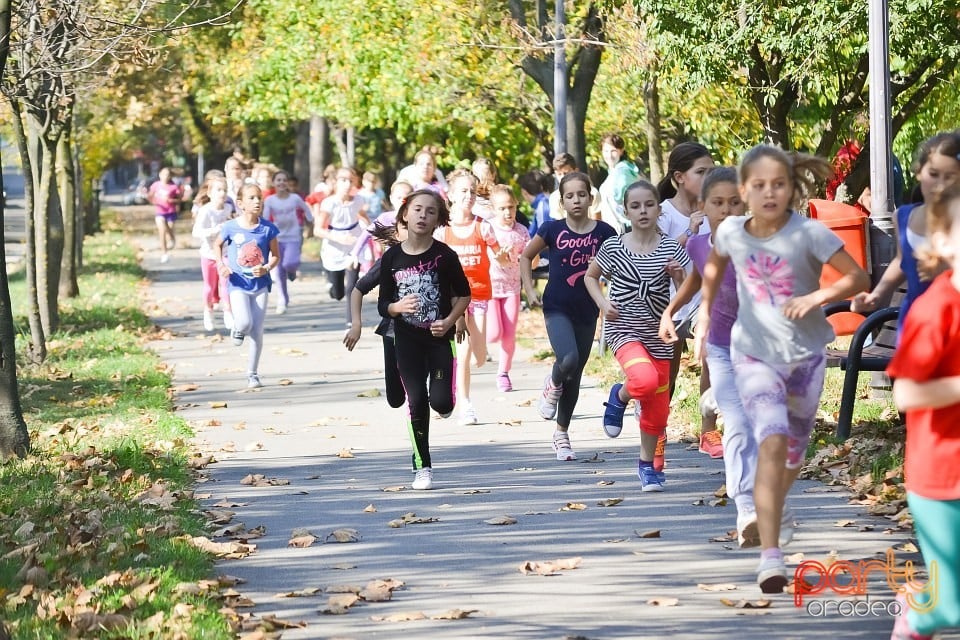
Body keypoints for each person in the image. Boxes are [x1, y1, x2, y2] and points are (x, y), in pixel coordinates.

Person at [695, 144, 870, 593]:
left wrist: (815, 298)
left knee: (792, 453)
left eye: (778, 184)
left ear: (791, 188)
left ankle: (776, 504)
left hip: (806, 357)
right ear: (744, 191)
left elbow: (857, 278)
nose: (769, 193)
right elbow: (714, 266)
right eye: (759, 186)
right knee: (769, 440)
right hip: (752, 354)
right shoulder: (732, 231)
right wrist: (705, 317)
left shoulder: (809, 233)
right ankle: (770, 558)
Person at [659, 167, 770, 544]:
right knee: (738, 425)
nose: (726, 210)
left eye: (734, 203)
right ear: (703, 207)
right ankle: (746, 510)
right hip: (722, 347)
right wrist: (670, 311)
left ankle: (712, 400)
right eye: (717, 203)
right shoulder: (697, 244)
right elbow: (696, 279)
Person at [886, 183, 960, 640]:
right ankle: (916, 610)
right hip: (941, 477)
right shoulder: (936, 309)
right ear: (944, 242)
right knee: (949, 608)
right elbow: (907, 395)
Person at [585, 180, 689, 491]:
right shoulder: (614, 247)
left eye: (649, 205)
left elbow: (686, 292)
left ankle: (647, 466)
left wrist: (680, 277)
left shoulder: (672, 247)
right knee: (643, 381)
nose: (643, 211)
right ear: (626, 211)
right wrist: (603, 303)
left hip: (659, 334)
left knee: (658, 410)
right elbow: (591, 278)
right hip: (623, 330)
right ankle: (620, 396)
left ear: (659, 209)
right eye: (635, 206)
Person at [378, 189, 471, 490]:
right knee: (415, 400)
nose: (423, 215)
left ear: (438, 220)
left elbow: (464, 295)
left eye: (431, 211)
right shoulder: (392, 257)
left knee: (441, 402)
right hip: (406, 340)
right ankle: (422, 466)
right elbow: (383, 304)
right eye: (417, 209)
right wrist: (396, 308)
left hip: (438, 340)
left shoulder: (445, 256)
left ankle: (446, 402)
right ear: (405, 214)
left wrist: (449, 321)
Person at [520, 172, 617, 461]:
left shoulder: (604, 233)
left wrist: (602, 268)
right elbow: (526, 257)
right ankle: (552, 381)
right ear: (562, 201)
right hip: (557, 307)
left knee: (575, 376)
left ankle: (561, 434)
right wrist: (529, 289)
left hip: (588, 309)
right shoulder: (551, 229)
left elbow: (615, 269)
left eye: (581, 194)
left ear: (590, 197)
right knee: (569, 360)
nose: (576, 200)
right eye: (570, 196)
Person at [852, 132, 960, 334]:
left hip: (953, 327)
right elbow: (902, 261)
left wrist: (947, 271)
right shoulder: (904, 217)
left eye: (950, 176)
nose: (940, 185)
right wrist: (877, 294)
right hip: (916, 324)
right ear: (919, 172)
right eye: (934, 174)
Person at [656, 142, 722, 458]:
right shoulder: (663, 213)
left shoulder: (716, 209)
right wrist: (688, 236)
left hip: (703, 303)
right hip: (667, 305)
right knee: (665, 376)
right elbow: (652, 260)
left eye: (712, 171)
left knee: (710, 350)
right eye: (702, 172)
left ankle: (708, 430)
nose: (708, 177)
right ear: (679, 177)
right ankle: (656, 428)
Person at [436, 169, 504, 425]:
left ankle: (452, 378)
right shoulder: (443, 230)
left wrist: (503, 256)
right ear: (451, 195)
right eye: (463, 191)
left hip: (480, 295)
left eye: (472, 192)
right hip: (454, 299)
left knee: (478, 356)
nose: (468, 196)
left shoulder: (483, 226)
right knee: (463, 353)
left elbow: (500, 254)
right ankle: (465, 403)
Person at [215, 183, 280, 390]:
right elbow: (217, 245)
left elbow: (276, 256)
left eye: (259, 197)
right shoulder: (231, 227)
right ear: (240, 203)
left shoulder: (267, 228)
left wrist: (267, 268)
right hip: (237, 284)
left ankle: (252, 374)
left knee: (257, 331)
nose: (257, 201)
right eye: (252, 198)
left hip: (260, 285)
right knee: (244, 323)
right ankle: (237, 328)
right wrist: (221, 265)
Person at [344, 221, 406, 410]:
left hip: (425, 330)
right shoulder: (390, 259)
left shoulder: (435, 255)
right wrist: (356, 324)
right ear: (396, 234)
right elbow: (359, 288)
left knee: (419, 387)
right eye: (406, 227)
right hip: (393, 330)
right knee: (395, 399)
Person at [486, 184, 530, 392]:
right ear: (494, 209)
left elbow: (531, 260)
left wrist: (529, 258)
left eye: (511, 207)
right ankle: (477, 339)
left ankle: (503, 373)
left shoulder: (521, 232)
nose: (507, 212)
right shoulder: (488, 228)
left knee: (509, 335)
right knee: (494, 333)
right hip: (490, 288)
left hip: (512, 289)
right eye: (502, 208)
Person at [315, 167, 370, 326]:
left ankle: (350, 321)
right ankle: (333, 287)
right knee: (338, 292)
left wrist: (372, 229)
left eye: (351, 180)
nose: (347, 184)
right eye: (343, 180)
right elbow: (317, 230)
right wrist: (337, 237)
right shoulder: (329, 203)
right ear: (336, 182)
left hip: (354, 243)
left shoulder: (358, 200)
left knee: (352, 286)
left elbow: (363, 217)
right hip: (334, 245)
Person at [262, 170, 312, 314]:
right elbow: (265, 219)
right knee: (278, 271)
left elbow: (306, 209)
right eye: (278, 180)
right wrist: (265, 234)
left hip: (293, 236)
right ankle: (282, 299)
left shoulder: (294, 198)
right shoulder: (270, 200)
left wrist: (310, 222)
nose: (281, 182)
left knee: (289, 263)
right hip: (277, 238)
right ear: (274, 183)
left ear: (288, 183)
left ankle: (292, 270)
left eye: (284, 180)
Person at [191, 175, 236, 332]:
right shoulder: (205, 211)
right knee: (210, 287)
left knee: (226, 283)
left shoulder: (229, 209)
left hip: (225, 253)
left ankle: (228, 312)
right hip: (208, 253)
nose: (222, 193)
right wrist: (216, 230)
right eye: (218, 190)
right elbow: (196, 232)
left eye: (224, 190)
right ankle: (208, 312)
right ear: (210, 192)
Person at [597, 133, 640, 234]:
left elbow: (626, 201)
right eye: (606, 151)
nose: (609, 155)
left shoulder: (622, 172)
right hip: (615, 228)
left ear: (621, 151)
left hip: (624, 228)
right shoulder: (614, 171)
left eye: (613, 151)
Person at [548, 153, 601, 221]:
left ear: (576, 171)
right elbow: (559, 227)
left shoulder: (592, 193)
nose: (562, 177)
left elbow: (597, 224)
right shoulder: (554, 198)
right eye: (559, 174)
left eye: (566, 173)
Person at [148, 167, 182, 264]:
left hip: (170, 212)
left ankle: (172, 238)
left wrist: (171, 200)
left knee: (169, 231)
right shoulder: (156, 185)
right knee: (162, 231)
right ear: (160, 175)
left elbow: (179, 200)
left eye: (167, 175)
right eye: (163, 174)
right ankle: (164, 253)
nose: (165, 176)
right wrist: (153, 201)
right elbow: (150, 195)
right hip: (160, 212)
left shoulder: (173, 187)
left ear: (170, 176)